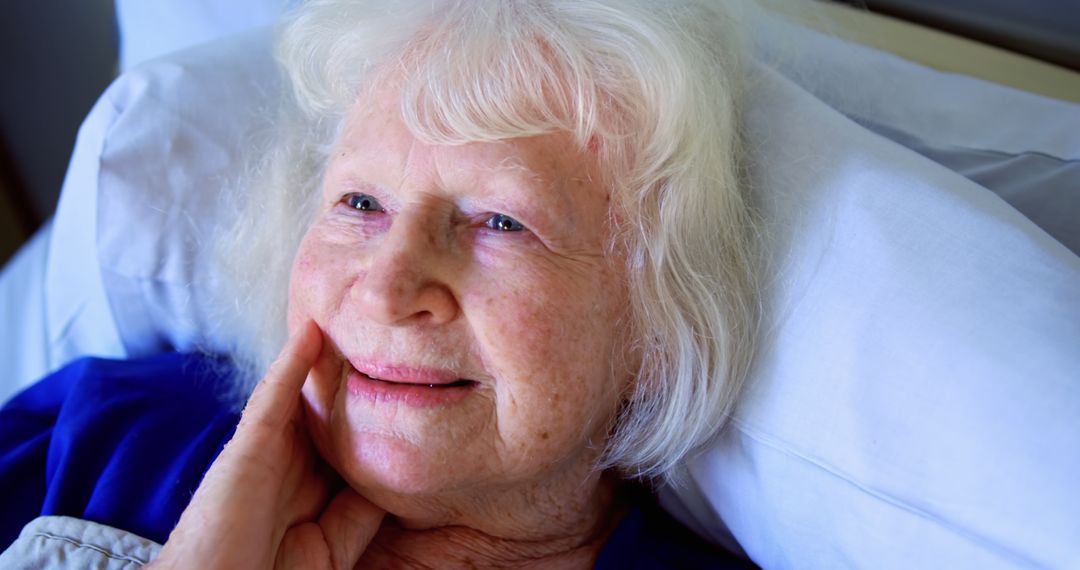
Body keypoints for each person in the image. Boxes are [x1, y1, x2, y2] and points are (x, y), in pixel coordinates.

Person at [0, 0, 761, 567]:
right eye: (361, 204)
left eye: (500, 221)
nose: (388, 291)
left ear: (658, 329)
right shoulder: (110, 432)